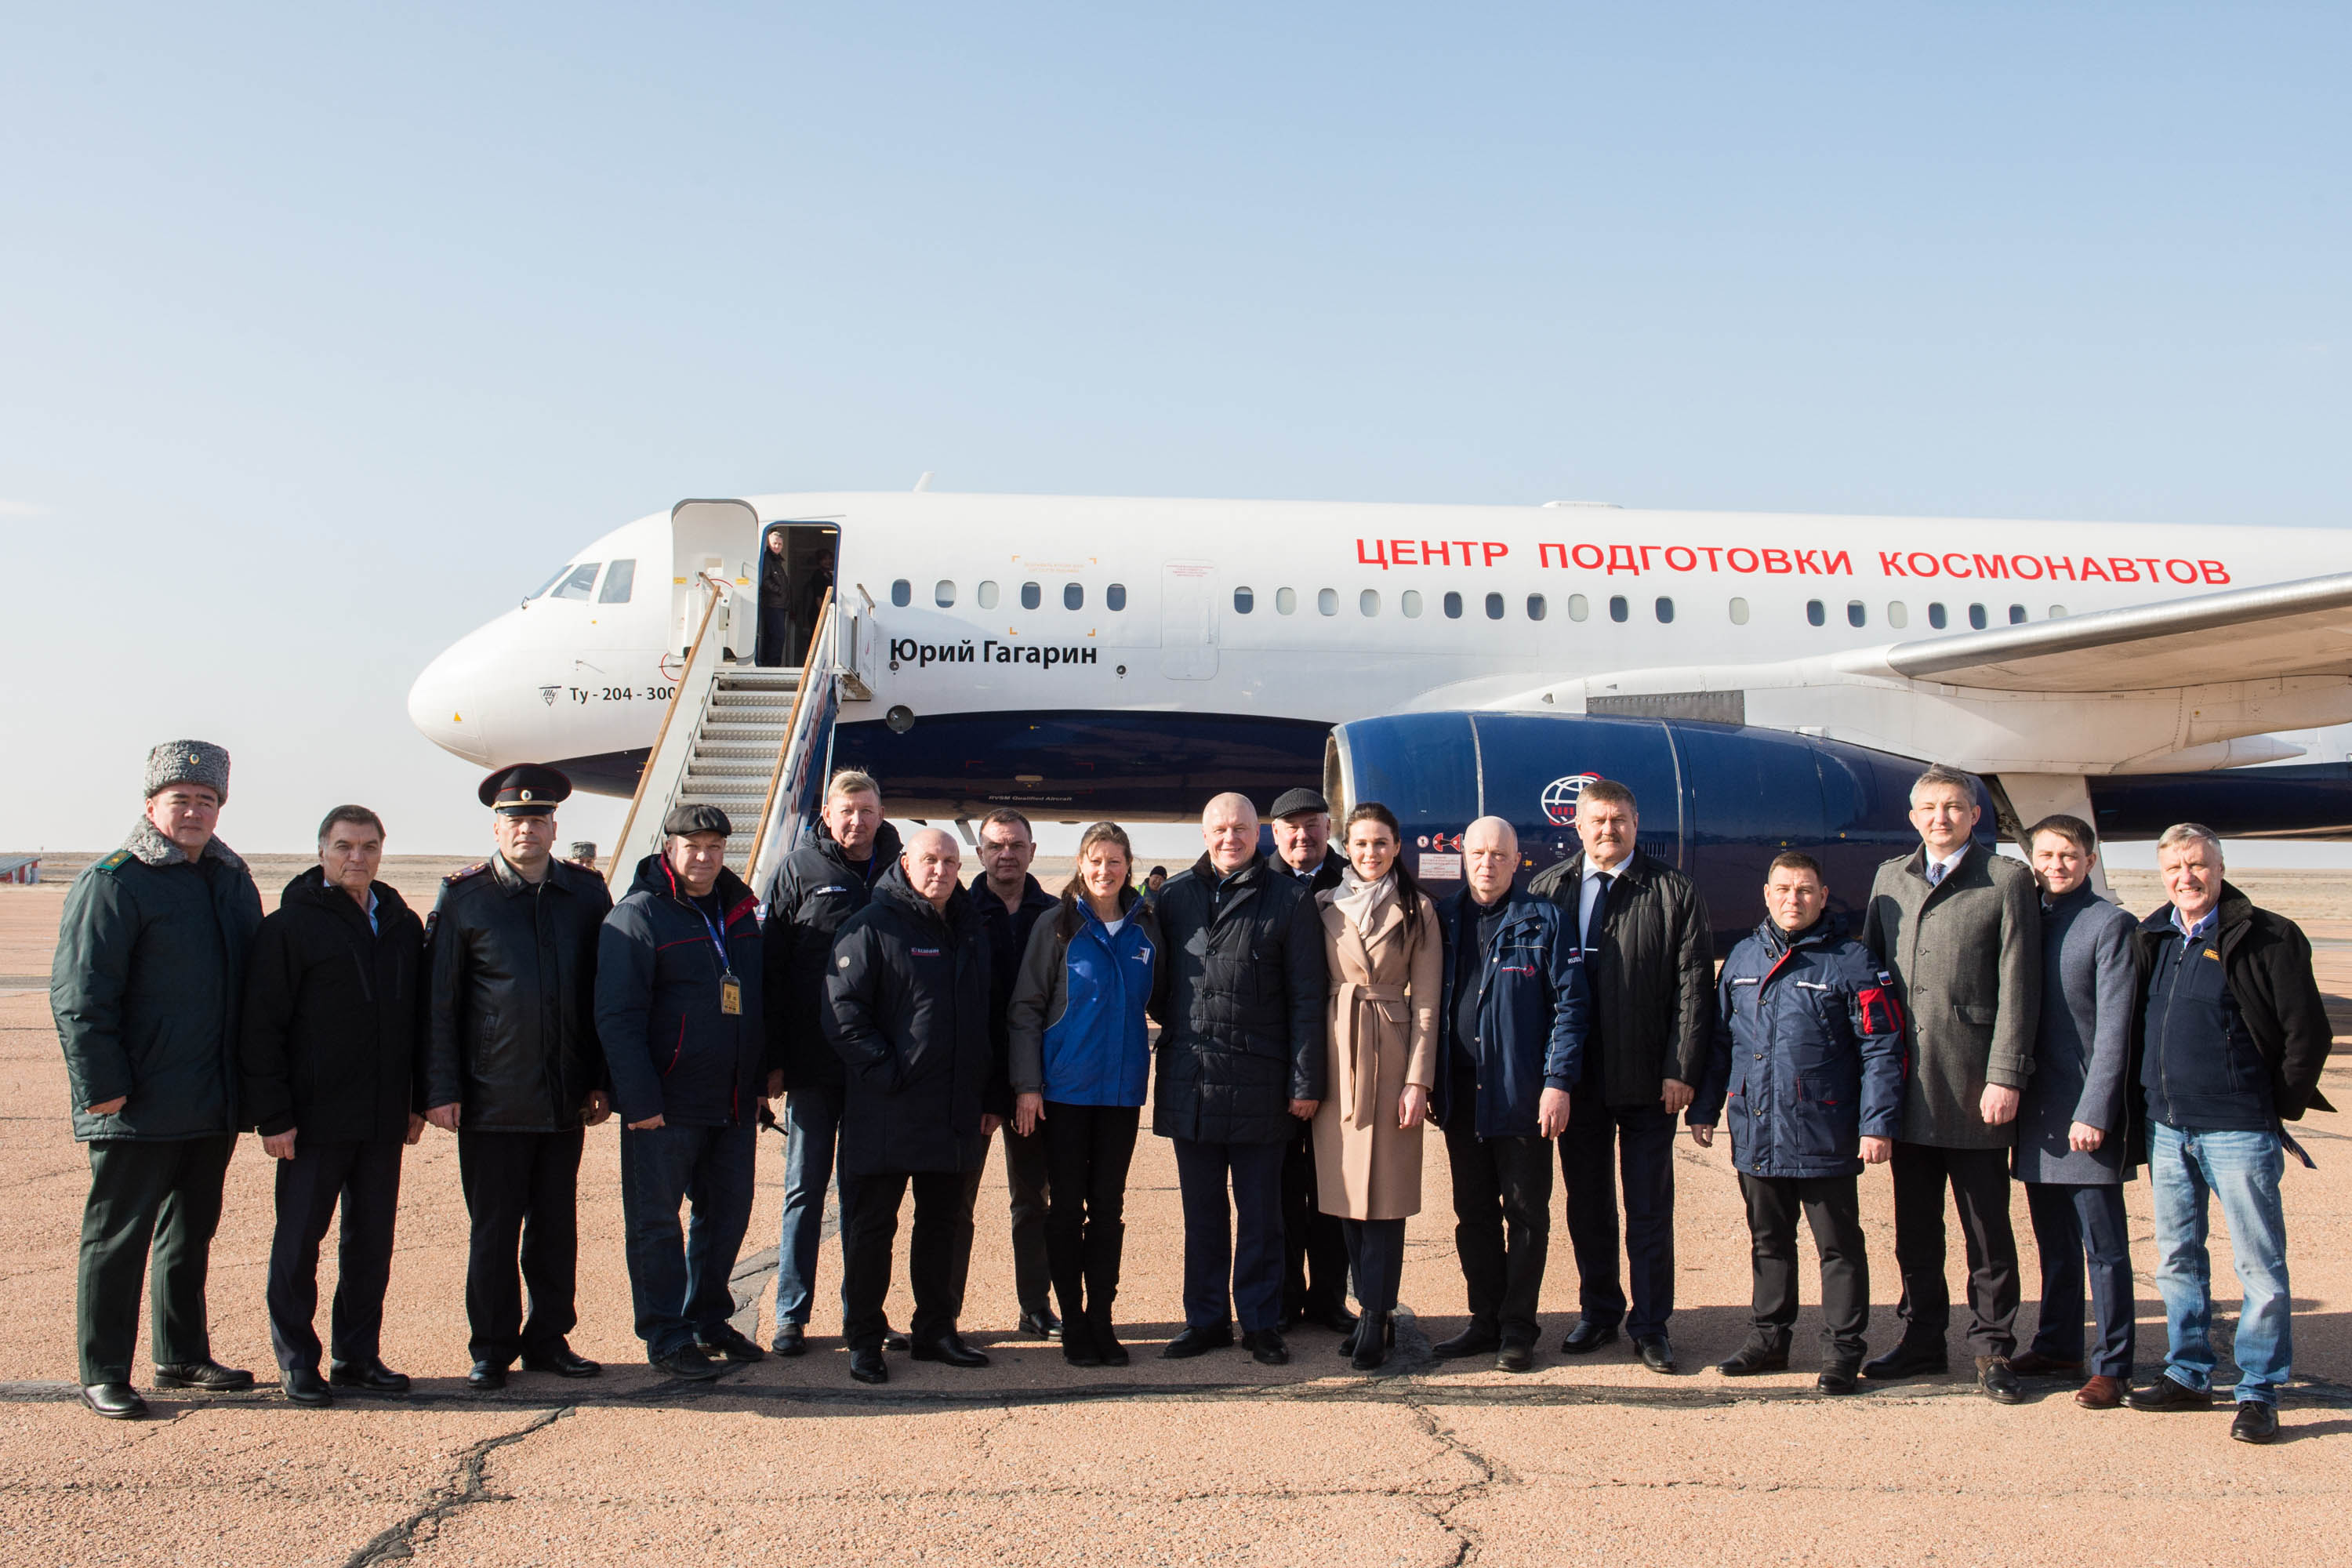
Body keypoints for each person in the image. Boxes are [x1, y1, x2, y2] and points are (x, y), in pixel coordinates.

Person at [53, 741, 263, 1419]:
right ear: (151, 806)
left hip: (211, 1096)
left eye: (207, 800)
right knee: (118, 1238)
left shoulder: (231, 879)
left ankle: (181, 1353)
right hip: (137, 1099)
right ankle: (104, 1370)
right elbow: (81, 994)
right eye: (181, 800)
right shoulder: (116, 881)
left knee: (190, 1232)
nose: (194, 811)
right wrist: (101, 1085)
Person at [2122, 824, 2332, 1444]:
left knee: (2258, 1263)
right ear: (2162, 875)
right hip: (2167, 1127)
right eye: (2174, 868)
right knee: (2177, 1258)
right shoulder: (2155, 936)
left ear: (2219, 868)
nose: (2186, 878)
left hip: (2238, 1129)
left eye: (2197, 865)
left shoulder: (2268, 935)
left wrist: (2272, 1105)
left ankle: (2258, 1390)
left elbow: (2307, 1034)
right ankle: (2187, 1374)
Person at [423, 764, 612, 1390]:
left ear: (555, 827)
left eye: (537, 818)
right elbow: (440, 1003)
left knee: (556, 1229)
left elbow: (601, 995)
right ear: (496, 828)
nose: (525, 828)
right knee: (495, 1232)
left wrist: (600, 1080)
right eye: (513, 819)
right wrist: (442, 1090)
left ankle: (549, 1339)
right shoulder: (465, 897)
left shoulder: (585, 894)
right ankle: (492, 1347)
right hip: (492, 1098)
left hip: (564, 1096)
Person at [1858, 764, 2040, 1403]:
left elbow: (2020, 986)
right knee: (1915, 1229)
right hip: (1906, 1086)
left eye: (1954, 807)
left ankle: (1993, 1347)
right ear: (1913, 817)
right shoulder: (1890, 879)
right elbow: (1871, 982)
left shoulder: (2006, 880)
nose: (1941, 818)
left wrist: (2005, 1075)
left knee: (1986, 1229)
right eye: (1930, 808)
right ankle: (1922, 1339)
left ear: (1974, 816)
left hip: (1972, 1085)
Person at [1690, 852, 1904, 1394]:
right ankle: (1769, 1340)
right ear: (1766, 894)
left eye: (1805, 890)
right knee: (1769, 1241)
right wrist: (1705, 1109)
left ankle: (1842, 1351)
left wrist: (1876, 1123)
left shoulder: (1852, 961)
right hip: (1757, 1126)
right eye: (1783, 889)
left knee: (1838, 1246)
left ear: (1823, 896)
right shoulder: (1741, 960)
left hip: (1823, 1131)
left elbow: (1882, 1046)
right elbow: (1720, 1044)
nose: (1794, 899)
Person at [241, 805, 426, 1407]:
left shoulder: (400, 924)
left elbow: (417, 1021)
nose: (357, 857)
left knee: (371, 1244)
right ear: (322, 850)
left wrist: (415, 1100)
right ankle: (298, 1361)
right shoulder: (290, 927)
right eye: (344, 846)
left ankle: (357, 1356)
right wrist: (274, 1116)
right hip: (312, 1121)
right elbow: (261, 1027)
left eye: (369, 846)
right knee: (299, 1243)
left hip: (381, 1118)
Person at [1526, 778, 1712, 1374]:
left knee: (1649, 1209)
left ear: (1636, 824)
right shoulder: (1548, 890)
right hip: (1577, 1079)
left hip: (1648, 1080)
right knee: (1588, 1205)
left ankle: (1651, 1325)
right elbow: (1534, 991)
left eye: (1619, 820)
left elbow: (1693, 987)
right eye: (1598, 821)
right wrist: (1547, 1076)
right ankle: (1599, 1310)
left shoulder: (1673, 891)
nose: (1609, 830)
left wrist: (1681, 1068)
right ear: (1578, 827)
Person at [1152, 793, 1327, 1366]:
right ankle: (1205, 1321)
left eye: (1242, 829)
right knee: (1202, 1216)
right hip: (1192, 1082)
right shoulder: (1174, 898)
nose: (1231, 838)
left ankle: (1260, 1322)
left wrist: (1305, 1081)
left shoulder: (1289, 900)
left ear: (1261, 834)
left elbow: (1307, 997)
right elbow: (1157, 987)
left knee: (1261, 1217)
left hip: (1261, 1084)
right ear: (1205, 835)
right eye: (1221, 829)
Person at [598, 804, 769, 1381]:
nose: (704, 857)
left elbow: (756, 1003)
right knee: (656, 1224)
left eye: (714, 846)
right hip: (666, 1104)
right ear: (668, 848)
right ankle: (667, 1334)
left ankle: (708, 1318)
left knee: (726, 1215)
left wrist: (757, 1081)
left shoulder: (739, 910)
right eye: (692, 846)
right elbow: (618, 1015)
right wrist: (639, 1099)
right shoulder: (639, 915)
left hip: (732, 1099)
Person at [825, 829, 1001, 1384]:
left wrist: (989, 1093)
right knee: (872, 1228)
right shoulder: (871, 925)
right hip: (886, 1109)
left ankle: (936, 1330)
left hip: (953, 1109)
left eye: (950, 861)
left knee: (942, 1226)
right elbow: (842, 1012)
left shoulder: (970, 927)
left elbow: (988, 1016)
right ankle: (864, 1338)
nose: (941, 871)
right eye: (930, 860)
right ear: (906, 863)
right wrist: (888, 1072)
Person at [1431, 817, 1588, 1373]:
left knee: (1525, 1214)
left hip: (1521, 1094)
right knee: (1472, 1214)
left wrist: (1557, 1082)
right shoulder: (1442, 919)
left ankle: (1519, 1328)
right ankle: (1484, 1321)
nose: (1487, 863)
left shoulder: (1545, 920)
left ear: (1517, 860)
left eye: (1499, 854)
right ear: (1463, 857)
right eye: (1478, 853)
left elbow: (1570, 1007)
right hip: (1461, 1096)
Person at [1009, 822, 1166, 1367]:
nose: (1105, 870)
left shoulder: (1147, 929)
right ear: (1081, 863)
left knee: (1108, 1209)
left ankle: (1102, 1317)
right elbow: (1026, 1008)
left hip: (1121, 1093)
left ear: (1128, 866)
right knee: (1065, 1208)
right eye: (1095, 860)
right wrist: (1028, 1085)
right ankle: (1073, 1320)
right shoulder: (1056, 926)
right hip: (1065, 1093)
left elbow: (1167, 999)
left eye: (1114, 861)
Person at [765, 771, 904, 1355]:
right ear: (827, 814)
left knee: (866, 1196)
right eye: (846, 811)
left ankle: (862, 1314)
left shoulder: (902, 871)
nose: (857, 821)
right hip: (813, 1064)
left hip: (875, 1067)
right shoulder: (798, 870)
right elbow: (772, 970)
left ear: (881, 814)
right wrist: (772, 1059)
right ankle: (791, 1314)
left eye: (867, 811)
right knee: (804, 1189)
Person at [2013, 815, 2139, 1410]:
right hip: (2037, 1113)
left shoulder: (2110, 925)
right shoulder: (2029, 920)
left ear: (2090, 860)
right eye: (2046, 855)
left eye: (2068, 855)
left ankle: (2113, 1365)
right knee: (2054, 1243)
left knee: (2104, 1248)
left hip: (2086, 1113)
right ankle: (2058, 1345)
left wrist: (2096, 1111)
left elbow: (2115, 1030)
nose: (2056, 865)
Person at [1309, 803, 1441, 1371]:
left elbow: (1428, 1003)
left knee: (1385, 1194)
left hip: (1390, 1054)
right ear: (1347, 847)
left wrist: (1418, 1079)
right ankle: (1369, 1306)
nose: (1370, 853)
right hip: (1337, 1053)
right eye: (1360, 843)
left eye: (1381, 843)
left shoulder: (1417, 909)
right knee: (1345, 1194)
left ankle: (1376, 1311)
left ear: (1397, 847)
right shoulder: (1323, 904)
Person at [1265, 786, 1354, 1337]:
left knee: (1330, 1185)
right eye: (1291, 827)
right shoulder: (1259, 882)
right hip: (1276, 1057)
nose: (1303, 835)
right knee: (1279, 1187)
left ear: (1328, 828)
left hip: (1342, 1054)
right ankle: (1282, 1298)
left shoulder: (1353, 880)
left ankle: (1328, 1296)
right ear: (1275, 833)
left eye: (1313, 824)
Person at [969, 808, 1059, 1340]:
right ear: (981, 852)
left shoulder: (1054, 915)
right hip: (973, 1085)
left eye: (1016, 845)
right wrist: (985, 1091)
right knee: (954, 1205)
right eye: (996, 846)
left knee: (1033, 1201)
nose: (1007, 854)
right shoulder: (958, 912)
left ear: (1032, 851)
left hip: (1033, 1084)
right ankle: (942, 1316)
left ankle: (1035, 1307)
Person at [756, 526, 793, 666]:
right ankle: (772, 664)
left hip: (779, 604)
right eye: (774, 543)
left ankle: (771, 663)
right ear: (768, 543)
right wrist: (779, 591)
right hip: (772, 604)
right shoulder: (767, 559)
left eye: (780, 544)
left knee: (775, 636)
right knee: (777, 636)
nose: (777, 546)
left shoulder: (777, 561)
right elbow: (765, 580)